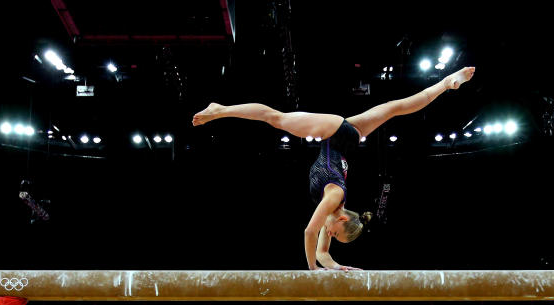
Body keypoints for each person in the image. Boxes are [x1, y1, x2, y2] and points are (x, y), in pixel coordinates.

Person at [192, 66, 476, 270]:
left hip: (346, 137)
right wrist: (311, 272)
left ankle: (446, 83)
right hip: (335, 132)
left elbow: (323, 253)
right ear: (341, 221)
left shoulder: (334, 209)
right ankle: (220, 109)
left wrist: (335, 266)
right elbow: (308, 233)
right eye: (335, 234)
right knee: (275, 118)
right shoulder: (333, 199)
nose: (329, 236)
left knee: (395, 107)